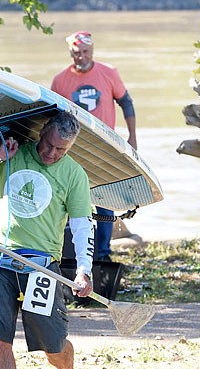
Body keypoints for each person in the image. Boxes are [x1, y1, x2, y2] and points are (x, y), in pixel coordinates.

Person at [0, 111, 95, 369]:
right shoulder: (12, 150)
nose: (51, 153)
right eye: (49, 144)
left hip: (41, 266)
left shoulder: (74, 175)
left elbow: (82, 226)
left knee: (53, 347)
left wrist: (84, 270)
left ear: (69, 148)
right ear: (41, 133)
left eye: (60, 150)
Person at [51, 30, 138, 261]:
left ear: (92, 50)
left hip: (104, 148)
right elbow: (52, 116)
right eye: (76, 53)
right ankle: (67, 253)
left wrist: (132, 137)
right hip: (73, 149)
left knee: (104, 201)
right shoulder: (60, 80)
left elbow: (127, 103)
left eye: (85, 51)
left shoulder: (108, 73)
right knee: (68, 199)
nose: (81, 56)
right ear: (71, 53)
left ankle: (102, 253)